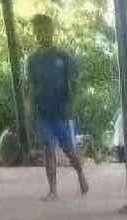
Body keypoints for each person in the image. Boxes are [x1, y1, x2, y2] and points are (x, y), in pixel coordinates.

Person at [27, 14, 88, 200]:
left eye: (45, 28)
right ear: (35, 33)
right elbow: (31, 87)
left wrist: (72, 101)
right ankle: (53, 190)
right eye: (38, 29)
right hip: (43, 110)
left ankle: (80, 174)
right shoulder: (32, 60)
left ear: (52, 30)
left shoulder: (63, 56)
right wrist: (30, 110)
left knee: (69, 149)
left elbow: (74, 82)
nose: (42, 32)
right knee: (48, 149)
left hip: (61, 110)